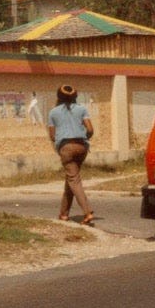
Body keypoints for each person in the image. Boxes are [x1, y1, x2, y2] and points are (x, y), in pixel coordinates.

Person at [46, 84, 95, 225]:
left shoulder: (53, 112)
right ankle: (63, 214)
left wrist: (62, 141)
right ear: (75, 96)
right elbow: (90, 129)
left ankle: (87, 212)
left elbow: (52, 135)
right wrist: (84, 137)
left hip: (66, 148)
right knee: (72, 180)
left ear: (58, 97)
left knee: (73, 179)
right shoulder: (82, 109)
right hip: (81, 147)